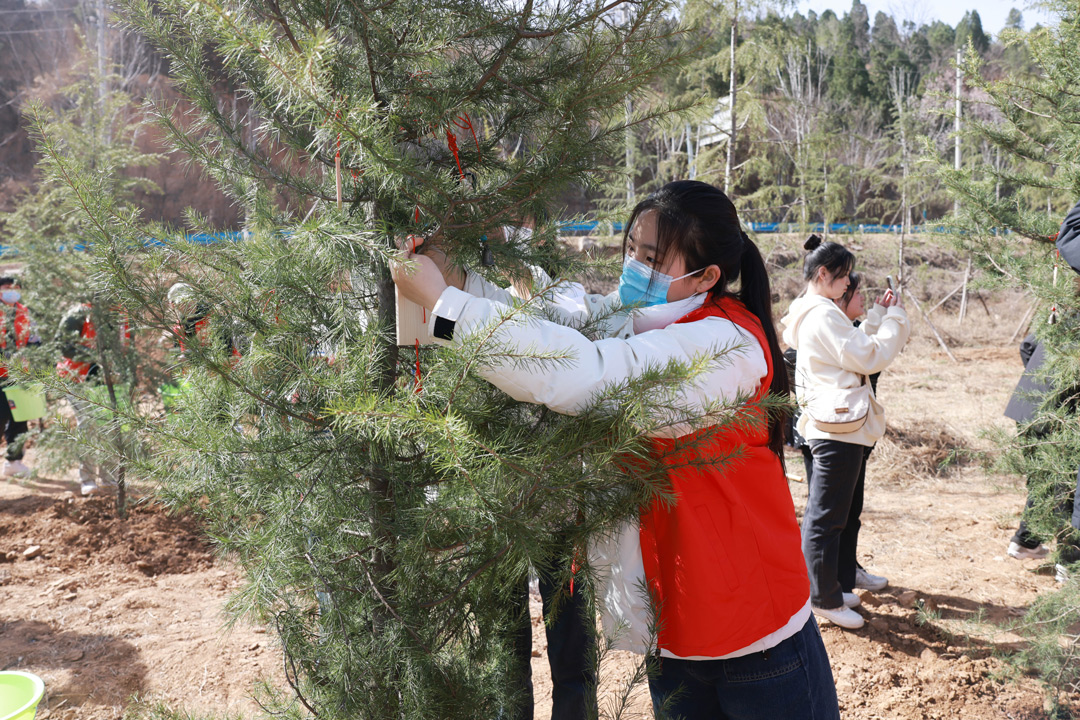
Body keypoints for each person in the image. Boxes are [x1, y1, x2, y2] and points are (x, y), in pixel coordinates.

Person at [393, 180, 840, 720]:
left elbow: (595, 377)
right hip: (672, 632)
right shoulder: (639, 318)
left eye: (651, 257)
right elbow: (556, 321)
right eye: (632, 249)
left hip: (752, 636)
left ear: (706, 276)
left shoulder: (726, 346)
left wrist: (445, 305)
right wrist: (456, 279)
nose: (634, 265)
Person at [781, 237, 909, 630]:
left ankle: (828, 588)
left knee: (829, 515)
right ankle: (822, 598)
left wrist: (875, 316)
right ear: (822, 275)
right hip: (837, 429)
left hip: (831, 423)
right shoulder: (822, 314)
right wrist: (895, 319)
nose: (847, 284)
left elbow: (851, 347)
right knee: (825, 517)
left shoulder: (810, 312)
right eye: (842, 277)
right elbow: (869, 355)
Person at [57, 302, 130, 496]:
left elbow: (126, 346)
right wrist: (95, 356)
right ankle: (87, 479)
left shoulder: (122, 315)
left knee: (110, 426)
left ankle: (109, 478)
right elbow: (63, 345)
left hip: (109, 379)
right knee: (88, 424)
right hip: (77, 377)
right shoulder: (78, 314)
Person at [0, 276, 38, 477]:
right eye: (7, 287)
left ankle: (14, 461)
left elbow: (35, 339)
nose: (11, 291)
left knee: (20, 418)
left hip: (20, 374)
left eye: (15, 288)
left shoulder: (24, 311)